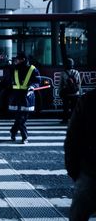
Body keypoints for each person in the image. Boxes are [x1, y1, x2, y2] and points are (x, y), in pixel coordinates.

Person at [64, 88, 96, 220]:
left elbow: (72, 138)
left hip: (91, 171)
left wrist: (73, 170)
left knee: (78, 214)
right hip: (91, 170)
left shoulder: (89, 99)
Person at [0, 52, 40, 144]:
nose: (16, 61)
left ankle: (13, 131)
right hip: (17, 96)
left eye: (18, 59)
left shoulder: (32, 69)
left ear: (23, 59)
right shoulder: (14, 69)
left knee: (22, 118)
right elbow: (6, 81)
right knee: (20, 118)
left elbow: (37, 81)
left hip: (27, 97)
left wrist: (33, 86)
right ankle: (24, 137)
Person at [59, 58, 81, 124]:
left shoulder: (63, 73)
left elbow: (60, 84)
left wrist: (60, 92)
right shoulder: (76, 72)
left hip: (66, 93)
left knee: (65, 107)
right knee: (74, 108)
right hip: (75, 93)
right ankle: (74, 120)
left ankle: (65, 120)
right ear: (72, 64)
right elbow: (79, 83)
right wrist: (78, 91)